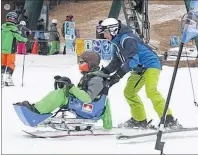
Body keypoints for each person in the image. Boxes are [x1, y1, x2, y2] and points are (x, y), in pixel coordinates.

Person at [98, 18, 182, 129]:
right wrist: (104, 72)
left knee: (151, 91)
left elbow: (133, 60)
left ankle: (168, 119)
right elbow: (117, 61)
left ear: (113, 30)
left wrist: (118, 75)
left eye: (106, 33)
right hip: (138, 69)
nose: (104, 36)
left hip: (150, 65)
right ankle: (139, 120)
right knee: (129, 92)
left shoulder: (127, 39)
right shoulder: (116, 43)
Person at [16, 52, 112, 130]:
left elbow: (87, 98)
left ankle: (37, 111)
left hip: (90, 109)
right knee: (60, 92)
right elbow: (80, 92)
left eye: (82, 62)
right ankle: (37, 108)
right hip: (85, 106)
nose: (79, 64)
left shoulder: (97, 79)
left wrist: (71, 87)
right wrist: (66, 86)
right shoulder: (89, 76)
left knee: (61, 95)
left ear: (91, 64)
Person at [1, 12, 28, 86]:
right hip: (10, 50)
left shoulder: (2, 27)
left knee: (2, 64)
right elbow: (19, 37)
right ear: (15, 20)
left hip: (1, 50)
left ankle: (1, 77)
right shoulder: (14, 28)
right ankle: (8, 78)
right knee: (10, 64)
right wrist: (25, 39)